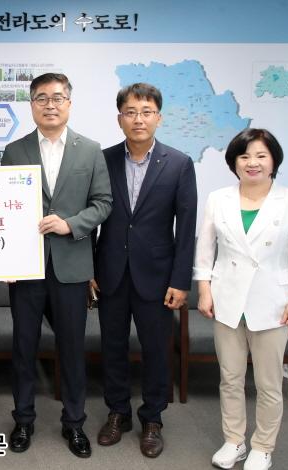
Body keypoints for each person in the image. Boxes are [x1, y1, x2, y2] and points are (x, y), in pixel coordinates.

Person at [1, 72, 112, 457]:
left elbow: (103, 203)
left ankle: (74, 423)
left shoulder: (90, 150)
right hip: (26, 266)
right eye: (42, 98)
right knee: (23, 347)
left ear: (69, 103)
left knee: (72, 349)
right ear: (32, 104)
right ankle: (23, 420)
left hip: (71, 266)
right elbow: (2, 207)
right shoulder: (14, 151)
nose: (50, 105)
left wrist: (71, 224)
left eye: (58, 98)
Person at [194, 128, 288, 470]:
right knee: (230, 378)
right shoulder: (218, 199)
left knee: (268, 383)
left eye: (261, 155)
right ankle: (234, 441)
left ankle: (263, 446)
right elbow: (205, 250)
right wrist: (204, 290)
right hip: (227, 299)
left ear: (274, 160)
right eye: (244, 156)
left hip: (273, 303)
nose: (252, 163)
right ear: (234, 162)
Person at [94, 83, 197, 458]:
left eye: (146, 111)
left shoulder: (179, 163)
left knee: (156, 349)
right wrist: (90, 269)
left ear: (159, 117)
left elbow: (186, 227)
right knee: (113, 347)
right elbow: (91, 218)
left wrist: (180, 281)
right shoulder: (102, 160)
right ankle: (118, 412)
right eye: (131, 112)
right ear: (119, 117)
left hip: (158, 275)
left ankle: (152, 418)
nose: (139, 119)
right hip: (110, 271)